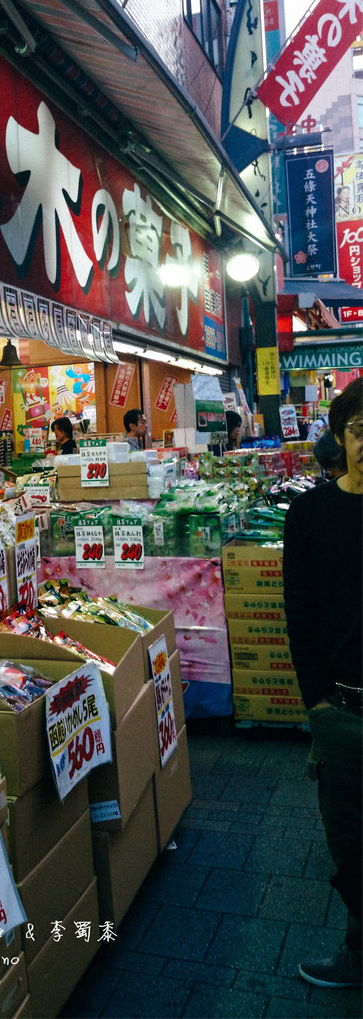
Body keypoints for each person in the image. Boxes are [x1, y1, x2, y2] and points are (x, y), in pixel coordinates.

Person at [283, 377, 363, 989]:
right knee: (351, 845)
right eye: (360, 431)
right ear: (339, 437)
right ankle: (359, 953)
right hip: (342, 711)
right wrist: (316, 703)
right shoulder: (309, 514)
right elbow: (300, 612)